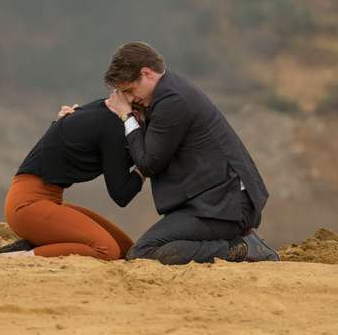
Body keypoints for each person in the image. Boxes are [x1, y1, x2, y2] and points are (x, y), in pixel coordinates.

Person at [102, 41, 279, 264]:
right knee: (152, 249)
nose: (130, 99)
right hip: (216, 204)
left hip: (227, 206)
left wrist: (127, 116)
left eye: (129, 91)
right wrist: (78, 117)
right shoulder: (167, 92)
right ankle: (239, 242)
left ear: (146, 74)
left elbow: (148, 163)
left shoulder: (172, 101)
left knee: (144, 252)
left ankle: (242, 249)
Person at [0, 98, 144, 260]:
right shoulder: (111, 128)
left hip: (47, 202)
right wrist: (146, 165)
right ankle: (19, 257)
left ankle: (37, 244)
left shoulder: (96, 114)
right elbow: (121, 193)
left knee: (125, 249)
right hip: (27, 206)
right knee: (106, 250)